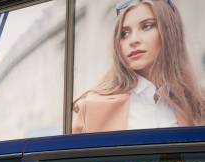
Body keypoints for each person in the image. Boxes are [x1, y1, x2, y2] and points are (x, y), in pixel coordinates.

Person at [72, 0, 205, 133]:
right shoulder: (92, 107)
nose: (133, 40)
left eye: (147, 26)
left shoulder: (199, 105)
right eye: (124, 34)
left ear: (169, 32)